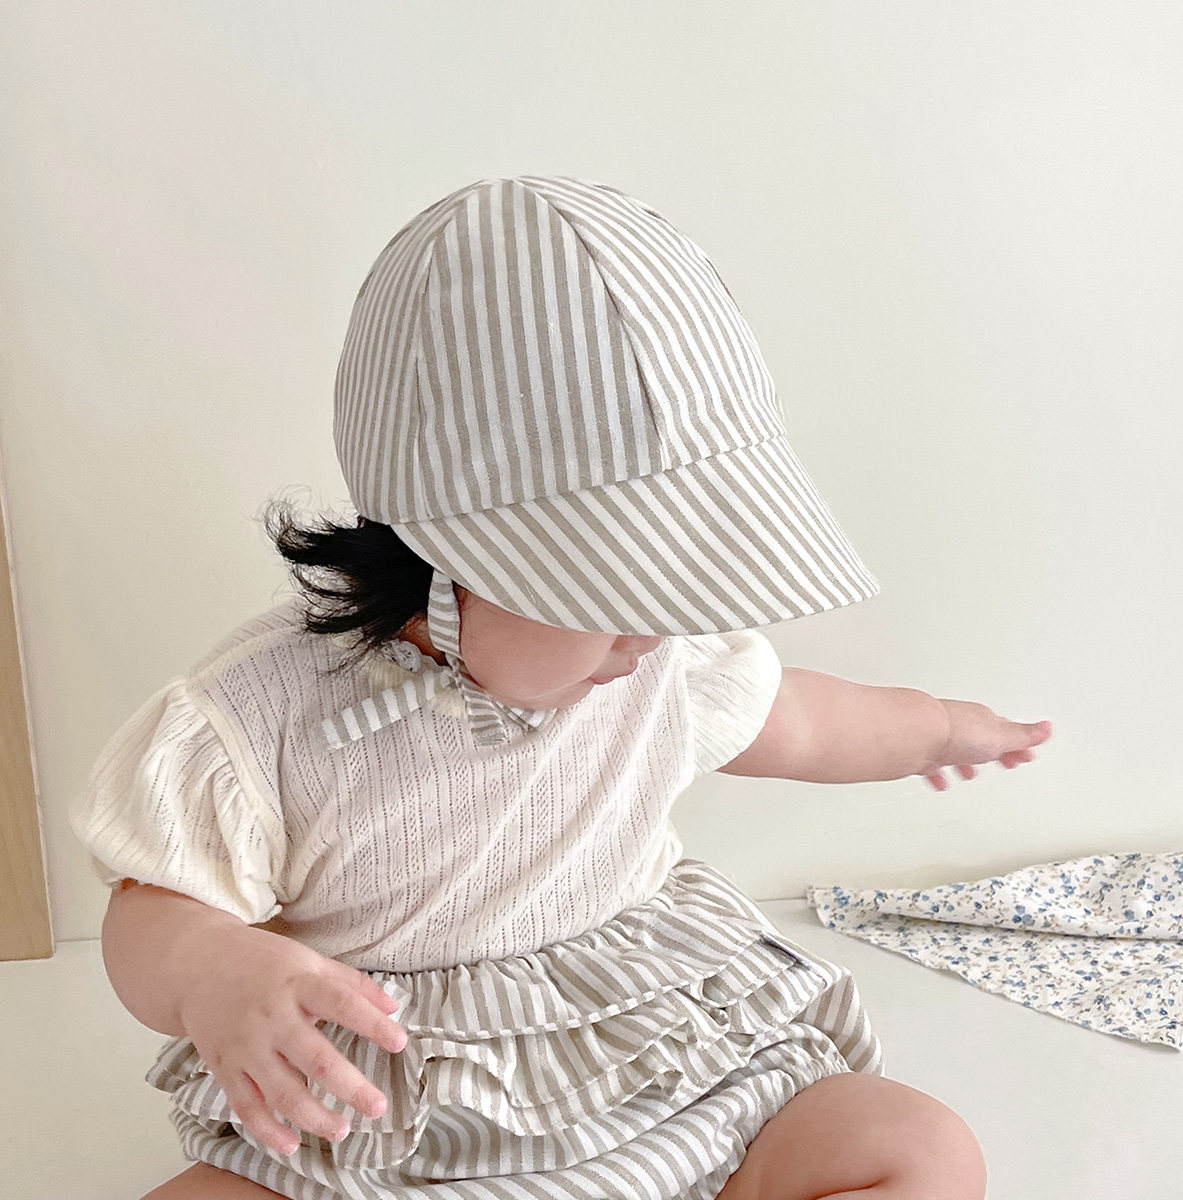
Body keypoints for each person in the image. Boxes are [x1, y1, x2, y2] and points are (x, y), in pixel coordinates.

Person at [71, 175, 1052, 1200]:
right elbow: (154, 905)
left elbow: (804, 721)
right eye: (604, 592)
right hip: (400, 1125)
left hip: (672, 1075)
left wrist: (939, 729)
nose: (651, 631)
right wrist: (210, 970)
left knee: (922, 1148)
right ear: (442, 560)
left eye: (673, 583)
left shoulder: (660, 661)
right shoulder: (261, 716)